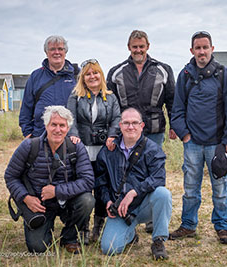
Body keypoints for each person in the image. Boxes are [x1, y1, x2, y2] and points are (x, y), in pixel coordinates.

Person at [170, 31, 227, 244]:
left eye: (205, 47)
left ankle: (222, 226)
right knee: (190, 189)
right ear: (192, 51)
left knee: (220, 189)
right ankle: (188, 225)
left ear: (212, 49)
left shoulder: (224, 74)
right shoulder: (185, 75)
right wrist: (185, 135)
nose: (201, 52)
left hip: (217, 144)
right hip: (192, 144)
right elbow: (177, 109)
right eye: (197, 48)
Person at [106, 29, 176, 233]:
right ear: (129, 48)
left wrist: (174, 125)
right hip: (126, 130)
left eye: (141, 46)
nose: (138, 50)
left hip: (154, 129)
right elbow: (111, 105)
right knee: (127, 172)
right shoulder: (116, 71)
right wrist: (113, 132)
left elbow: (171, 99)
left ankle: (153, 217)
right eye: (134, 46)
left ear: (148, 47)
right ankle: (128, 210)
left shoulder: (163, 69)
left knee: (152, 171)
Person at [5, 105, 95, 254]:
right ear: (46, 125)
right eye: (53, 124)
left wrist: (57, 191)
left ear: (68, 128)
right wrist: (26, 198)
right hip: (39, 205)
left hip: (67, 201)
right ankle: (45, 227)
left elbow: (88, 180)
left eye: (62, 125)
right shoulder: (29, 146)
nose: (57, 129)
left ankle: (70, 238)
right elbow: (10, 176)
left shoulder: (76, 148)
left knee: (87, 200)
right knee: (38, 248)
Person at [95, 107, 172, 260]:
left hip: (143, 204)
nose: (131, 127)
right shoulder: (108, 150)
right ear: (120, 125)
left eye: (135, 123)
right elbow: (100, 182)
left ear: (141, 126)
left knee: (163, 194)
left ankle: (158, 241)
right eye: (127, 123)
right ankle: (130, 234)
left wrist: (134, 192)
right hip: (121, 209)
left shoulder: (153, 149)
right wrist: (108, 201)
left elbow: (159, 178)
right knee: (109, 249)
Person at [67, 58, 121, 243]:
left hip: (104, 150)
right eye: (88, 74)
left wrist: (113, 135)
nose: (92, 76)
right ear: (83, 77)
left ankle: (99, 224)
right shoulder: (75, 96)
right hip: (82, 149)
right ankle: (82, 227)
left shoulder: (111, 97)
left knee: (101, 188)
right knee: (83, 188)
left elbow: (116, 118)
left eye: (95, 72)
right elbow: (70, 118)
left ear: (101, 75)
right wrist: (73, 135)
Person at [19, 35, 78, 138]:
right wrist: (28, 134)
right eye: (52, 49)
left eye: (60, 49)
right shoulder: (35, 76)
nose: (57, 52)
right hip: (40, 136)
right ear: (46, 52)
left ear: (65, 52)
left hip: (70, 137)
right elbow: (26, 108)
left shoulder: (76, 76)